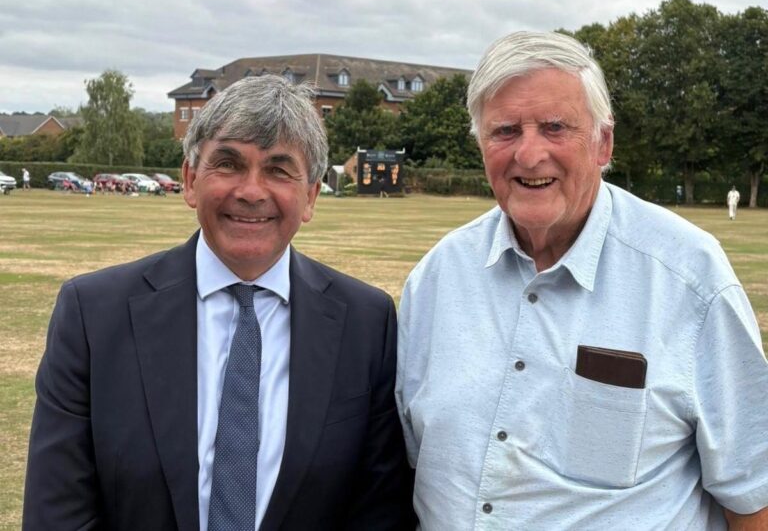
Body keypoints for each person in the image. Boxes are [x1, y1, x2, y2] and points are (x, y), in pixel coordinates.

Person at [396, 31, 768, 529]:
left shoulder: (689, 279)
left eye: (555, 128)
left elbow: (753, 496)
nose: (528, 155)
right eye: (505, 131)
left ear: (603, 142)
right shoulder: (437, 279)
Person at [24, 75, 414, 531]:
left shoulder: (366, 323)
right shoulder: (93, 315)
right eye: (228, 164)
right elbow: (58, 514)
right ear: (190, 180)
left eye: (278, 169)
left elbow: (378, 512)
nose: (251, 191)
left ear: (310, 195)